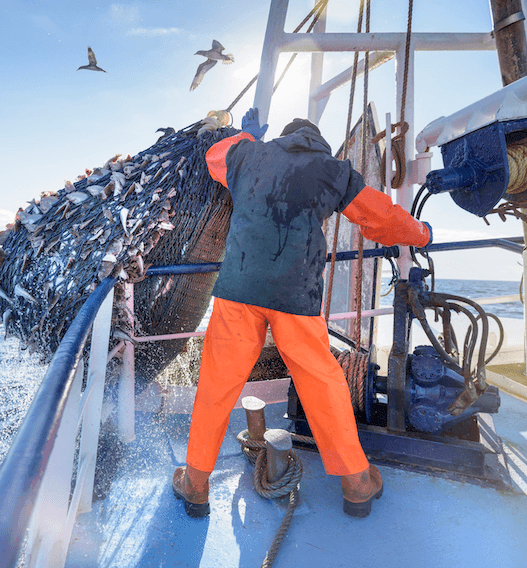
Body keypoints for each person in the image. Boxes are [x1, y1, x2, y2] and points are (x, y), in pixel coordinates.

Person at [172, 108, 432, 519]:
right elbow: (378, 217)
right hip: (296, 296)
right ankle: (356, 483)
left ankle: (197, 484)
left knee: (217, 385)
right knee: (322, 383)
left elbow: (214, 156)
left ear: (282, 139)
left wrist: (247, 137)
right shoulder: (332, 170)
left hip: (239, 290)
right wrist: (422, 233)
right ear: (319, 144)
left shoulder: (247, 155)